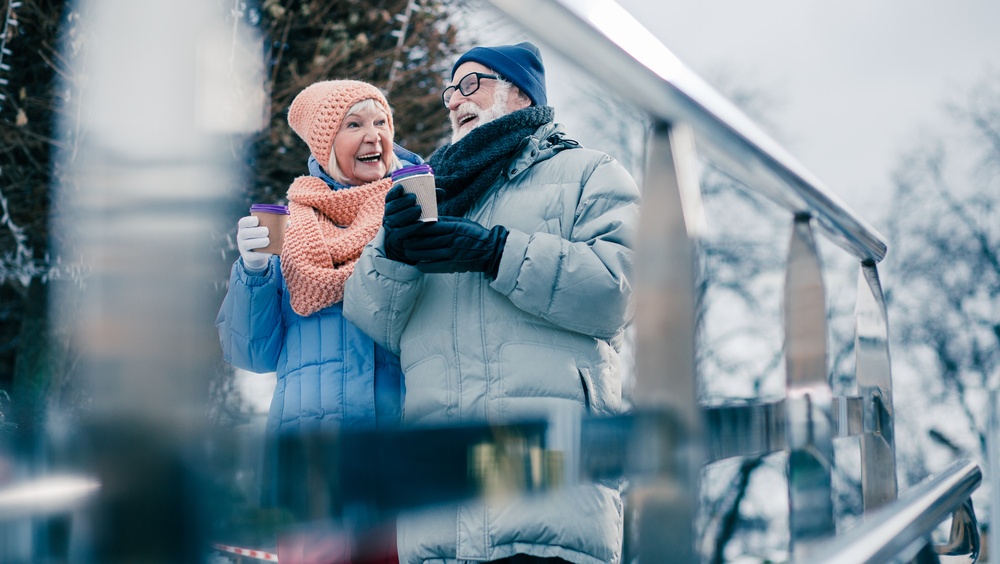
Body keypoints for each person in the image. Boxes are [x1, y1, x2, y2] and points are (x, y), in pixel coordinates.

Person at [343, 42, 641, 564]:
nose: (456, 100)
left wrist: (498, 252)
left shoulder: (589, 172)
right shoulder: (428, 193)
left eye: (471, 84)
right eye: (450, 92)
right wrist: (393, 252)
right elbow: (373, 321)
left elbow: (620, 291)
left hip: (550, 505)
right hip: (437, 519)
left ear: (520, 91)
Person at [216, 79, 419, 563]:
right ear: (324, 144)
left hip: (399, 451)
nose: (373, 135)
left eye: (381, 122)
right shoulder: (288, 229)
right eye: (354, 124)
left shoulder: (416, 208)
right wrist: (254, 272)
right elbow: (250, 353)